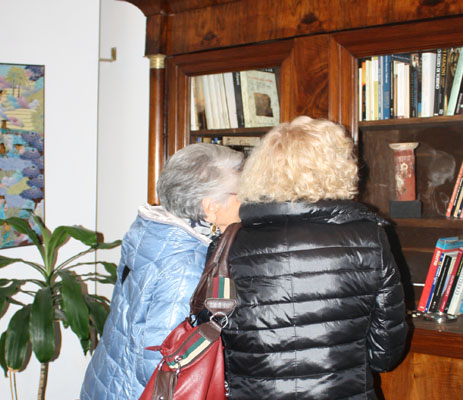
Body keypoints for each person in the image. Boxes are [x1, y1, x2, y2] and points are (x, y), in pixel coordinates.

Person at [222, 116, 408, 399]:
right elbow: (385, 354)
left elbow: (217, 338)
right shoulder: (369, 239)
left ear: (261, 169)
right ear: (339, 166)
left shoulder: (227, 244)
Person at [80, 143, 244, 400]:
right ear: (210, 207)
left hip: (106, 381)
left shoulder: (153, 234)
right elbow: (162, 365)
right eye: (241, 193)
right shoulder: (186, 268)